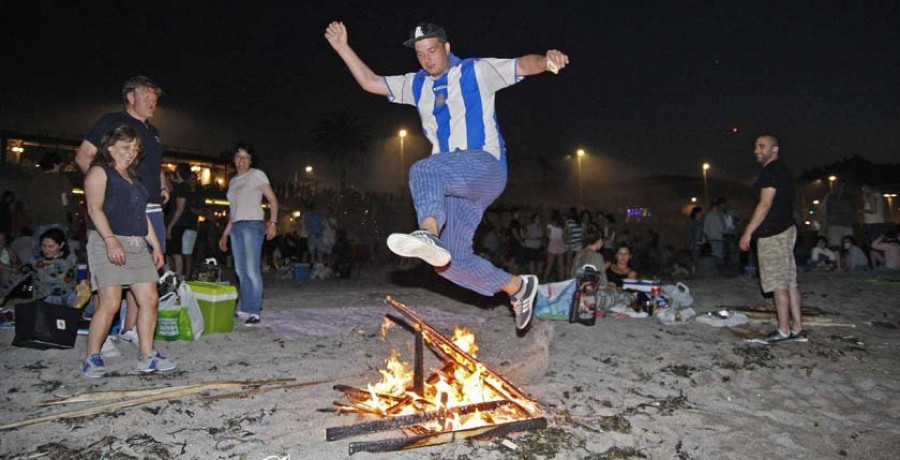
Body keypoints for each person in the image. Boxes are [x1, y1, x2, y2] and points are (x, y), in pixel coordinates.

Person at [325, 21, 569, 330]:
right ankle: (517, 288)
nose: (426, 59)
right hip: (454, 186)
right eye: (419, 54)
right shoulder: (416, 84)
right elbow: (371, 82)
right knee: (449, 263)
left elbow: (522, 64)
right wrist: (342, 48)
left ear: (447, 47)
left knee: (424, 168)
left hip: (485, 167)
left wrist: (547, 61)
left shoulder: (475, 71)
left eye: (432, 50)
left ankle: (428, 230)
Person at [75, 76, 170, 350]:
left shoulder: (152, 131)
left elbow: (155, 164)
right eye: (148, 96)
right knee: (109, 274)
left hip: (149, 205)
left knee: (146, 270)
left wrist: (163, 185)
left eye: (156, 98)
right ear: (130, 96)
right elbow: (84, 156)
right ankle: (101, 337)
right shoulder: (111, 122)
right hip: (116, 210)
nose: (153, 101)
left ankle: (130, 329)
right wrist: (109, 187)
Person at [82, 125, 174, 378]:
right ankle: (92, 356)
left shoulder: (134, 180)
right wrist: (111, 240)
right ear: (109, 147)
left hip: (136, 245)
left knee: (150, 299)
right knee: (110, 302)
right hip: (106, 241)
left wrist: (155, 245)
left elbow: (142, 216)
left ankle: (147, 356)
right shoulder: (99, 172)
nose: (130, 153)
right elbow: (94, 208)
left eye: (135, 149)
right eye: (125, 147)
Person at [740, 134, 806, 345]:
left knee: (778, 283)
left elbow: (765, 204)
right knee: (790, 281)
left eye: (762, 146)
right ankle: (798, 328)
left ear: (775, 149)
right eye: (755, 146)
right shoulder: (784, 170)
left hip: (773, 232)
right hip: (787, 228)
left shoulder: (770, 171)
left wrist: (748, 232)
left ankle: (784, 330)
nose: (757, 150)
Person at [218, 144, 279, 325]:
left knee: (252, 270)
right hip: (236, 226)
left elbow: (273, 200)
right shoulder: (233, 181)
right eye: (238, 156)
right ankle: (245, 308)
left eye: (245, 157)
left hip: (253, 225)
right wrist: (224, 235)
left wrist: (273, 223)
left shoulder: (256, 175)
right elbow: (232, 212)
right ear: (234, 159)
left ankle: (255, 310)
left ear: (251, 160)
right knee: (240, 270)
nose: (241, 160)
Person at [27, 152, 73, 258]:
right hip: (58, 220)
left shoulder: (35, 180)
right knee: (57, 255)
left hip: (39, 221)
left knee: (40, 256)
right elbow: (64, 202)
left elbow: (30, 202)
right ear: (56, 164)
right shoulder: (61, 179)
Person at [165, 163, 200, 279]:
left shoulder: (183, 187)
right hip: (181, 223)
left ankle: (179, 278)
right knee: (173, 252)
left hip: (180, 224)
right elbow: (170, 190)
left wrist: (170, 225)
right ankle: (176, 277)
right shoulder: (181, 186)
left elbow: (180, 208)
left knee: (177, 253)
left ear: (179, 172)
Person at [821, 179, 855, 248]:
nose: (841, 187)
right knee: (836, 247)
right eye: (839, 185)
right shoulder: (831, 197)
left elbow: (851, 210)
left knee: (847, 248)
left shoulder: (849, 198)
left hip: (844, 225)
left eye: (842, 186)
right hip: (836, 225)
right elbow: (824, 209)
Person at [543, 210, 566, 282]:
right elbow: (564, 236)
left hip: (553, 243)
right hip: (560, 243)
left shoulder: (549, 225)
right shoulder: (562, 225)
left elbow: (548, 235)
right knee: (561, 266)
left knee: (549, 265)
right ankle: (562, 281)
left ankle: (544, 281)